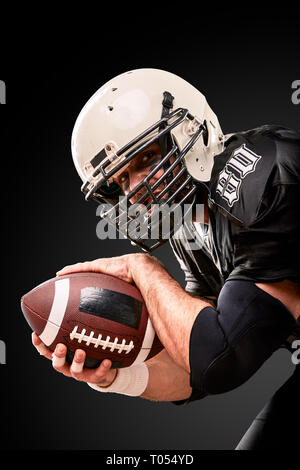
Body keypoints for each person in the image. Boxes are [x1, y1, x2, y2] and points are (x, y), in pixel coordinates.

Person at [32, 69, 300, 449]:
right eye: (122, 180)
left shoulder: (262, 179)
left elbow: (220, 359)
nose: (136, 188)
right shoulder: (191, 222)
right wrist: (114, 377)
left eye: (145, 159)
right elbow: (195, 362)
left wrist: (142, 268)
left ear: (190, 132)